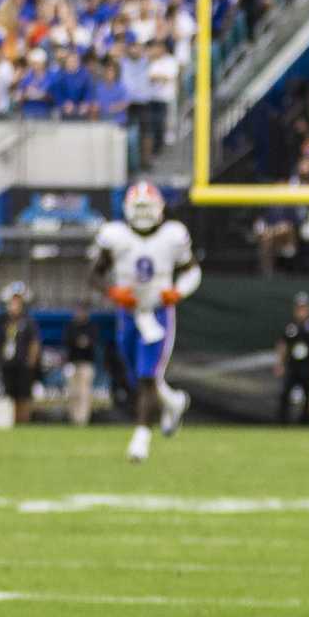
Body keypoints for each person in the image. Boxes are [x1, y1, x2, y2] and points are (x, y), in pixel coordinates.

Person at [92, 182, 197, 461]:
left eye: (147, 207)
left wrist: (178, 291)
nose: (142, 213)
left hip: (158, 312)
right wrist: (113, 292)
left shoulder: (172, 236)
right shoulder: (115, 236)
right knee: (136, 374)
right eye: (138, 207)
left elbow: (191, 271)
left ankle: (141, 438)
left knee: (147, 375)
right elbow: (95, 275)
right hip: (128, 314)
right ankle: (173, 402)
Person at [0, 283, 42, 426]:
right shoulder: (4, 321)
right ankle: (12, 421)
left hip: (23, 363)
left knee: (24, 396)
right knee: (10, 395)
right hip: (9, 363)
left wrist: (31, 361)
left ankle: (23, 422)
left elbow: (34, 342)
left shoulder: (28, 322)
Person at [277, 292, 309, 425]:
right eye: (300, 307)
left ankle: (305, 421)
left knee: (307, 394)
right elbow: (283, 344)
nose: (302, 311)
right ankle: (282, 420)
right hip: (292, 364)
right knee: (286, 392)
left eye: (305, 307)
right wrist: (280, 363)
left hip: (308, 364)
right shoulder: (290, 325)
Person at [63, 303, 99, 426]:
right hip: (72, 363)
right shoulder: (71, 326)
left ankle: (82, 420)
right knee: (73, 392)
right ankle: (72, 418)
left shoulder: (91, 326)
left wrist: (84, 342)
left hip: (86, 363)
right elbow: (68, 341)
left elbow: (93, 342)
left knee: (84, 392)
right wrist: (79, 342)